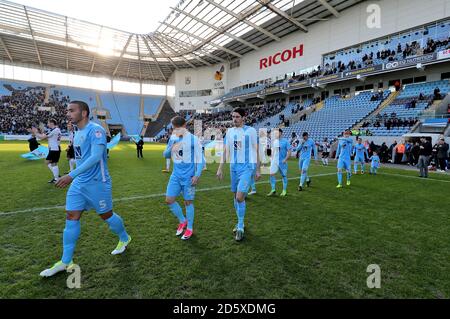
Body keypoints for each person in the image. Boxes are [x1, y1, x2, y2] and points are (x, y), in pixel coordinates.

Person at [40, 101, 131, 278]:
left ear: (84, 113)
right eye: (67, 110)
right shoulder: (77, 132)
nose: (68, 113)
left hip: (98, 183)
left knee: (106, 215)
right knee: (71, 216)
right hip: (79, 183)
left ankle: (124, 238)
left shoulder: (95, 130)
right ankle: (66, 261)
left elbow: (96, 157)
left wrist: (70, 175)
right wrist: (75, 176)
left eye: (72, 111)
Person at [216, 108, 260, 242]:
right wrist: (220, 168)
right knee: (235, 196)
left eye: (237, 117)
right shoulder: (229, 132)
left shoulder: (250, 131)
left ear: (243, 118)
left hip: (247, 168)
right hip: (233, 167)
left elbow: (257, 150)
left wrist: (258, 169)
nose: (234, 119)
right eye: (233, 116)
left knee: (240, 197)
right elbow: (225, 150)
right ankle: (240, 221)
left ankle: (240, 226)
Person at [164, 116, 204, 241]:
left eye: (178, 128)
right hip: (175, 175)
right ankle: (183, 220)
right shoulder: (173, 138)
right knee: (169, 200)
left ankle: (190, 228)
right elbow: (165, 154)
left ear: (184, 126)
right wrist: (172, 145)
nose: (176, 130)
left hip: (189, 177)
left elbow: (200, 159)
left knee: (188, 202)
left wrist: (197, 175)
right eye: (174, 128)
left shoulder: (193, 139)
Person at [32, 119, 62, 184]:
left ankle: (56, 177)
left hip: (54, 149)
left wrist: (35, 133)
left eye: (48, 123)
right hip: (56, 148)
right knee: (53, 163)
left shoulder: (54, 130)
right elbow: (45, 138)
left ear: (52, 123)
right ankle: (56, 176)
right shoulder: (57, 129)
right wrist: (40, 133)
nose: (47, 124)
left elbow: (42, 138)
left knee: (47, 162)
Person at [267, 128, 291, 197]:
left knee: (283, 176)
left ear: (281, 133)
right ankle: (273, 190)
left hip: (282, 162)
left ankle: (284, 190)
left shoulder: (285, 141)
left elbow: (289, 151)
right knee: (271, 174)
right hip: (274, 161)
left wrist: (285, 159)